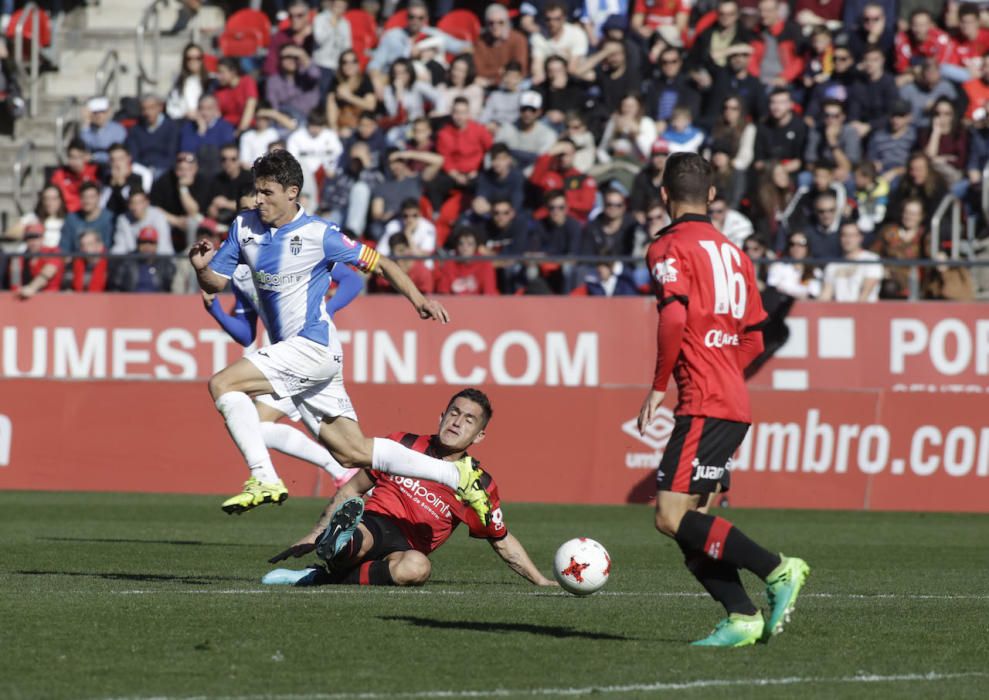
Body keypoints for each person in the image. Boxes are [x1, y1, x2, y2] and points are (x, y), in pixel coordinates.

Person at [188, 149, 492, 522]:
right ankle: (455, 473)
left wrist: (418, 300)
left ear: (292, 192)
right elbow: (215, 282)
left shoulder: (320, 234)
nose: (258, 200)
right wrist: (201, 269)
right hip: (304, 354)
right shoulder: (243, 227)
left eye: (267, 192)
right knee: (351, 452)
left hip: (312, 347)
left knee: (223, 384)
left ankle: (263, 476)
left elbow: (379, 263)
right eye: (256, 191)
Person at [639, 152, 809, 647]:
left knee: (670, 517)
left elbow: (672, 320)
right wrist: (723, 368)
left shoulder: (669, 247)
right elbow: (756, 338)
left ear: (664, 195)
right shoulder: (735, 253)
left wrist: (658, 385)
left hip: (703, 402)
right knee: (695, 524)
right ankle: (741, 616)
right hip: (732, 400)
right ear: (712, 197)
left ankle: (776, 568)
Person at [263, 389, 557, 589]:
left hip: (407, 549)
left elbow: (501, 540)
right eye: (454, 413)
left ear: (480, 436)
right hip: (374, 522)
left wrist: (540, 580)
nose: (457, 422)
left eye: (469, 420)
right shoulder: (401, 444)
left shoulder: (479, 484)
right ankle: (337, 541)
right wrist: (315, 534)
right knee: (361, 538)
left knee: (419, 569)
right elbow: (352, 488)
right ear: (441, 416)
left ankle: (322, 577)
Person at [202, 256, 362, 489]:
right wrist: (214, 308)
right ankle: (347, 472)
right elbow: (247, 334)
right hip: (287, 357)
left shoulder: (292, 251)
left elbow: (351, 280)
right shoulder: (240, 276)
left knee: (253, 426)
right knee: (348, 447)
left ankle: (342, 471)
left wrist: (329, 308)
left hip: (312, 351)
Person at [819, 222, 884, 302]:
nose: (848, 239)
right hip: (839, 312)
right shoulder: (832, 265)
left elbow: (865, 294)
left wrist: (853, 312)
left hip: (864, 311)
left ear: (860, 237)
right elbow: (826, 295)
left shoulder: (871, 260)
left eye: (852, 235)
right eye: (844, 235)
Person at [109, 227, 175, 293]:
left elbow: (170, 290)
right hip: (131, 301)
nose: (147, 246)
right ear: (138, 244)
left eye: (151, 242)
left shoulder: (165, 265)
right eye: (143, 242)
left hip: (158, 301)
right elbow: (115, 287)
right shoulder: (126, 262)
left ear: (156, 245)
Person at [435, 227, 498, 295]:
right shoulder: (450, 262)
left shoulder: (485, 263)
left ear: (476, 247)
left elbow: (489, 293)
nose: (465, 248)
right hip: (455, 303)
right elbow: (443, 291)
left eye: (469, 244)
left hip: (479, 303)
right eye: (461, 244)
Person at [78, 96, 127, 165]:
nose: (99, 115)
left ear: (108, 112)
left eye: (102, 111)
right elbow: (83, 151)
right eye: (95, 112)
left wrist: (95, 157)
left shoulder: (118, 130)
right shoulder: (86, 131)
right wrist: (86, 123)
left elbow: (117, 154)